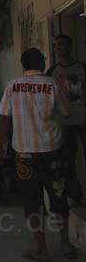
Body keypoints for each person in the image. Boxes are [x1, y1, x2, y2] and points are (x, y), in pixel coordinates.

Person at [0, 48, 77, 261]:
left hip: (24, 155)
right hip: (52, 152)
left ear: (24, 65)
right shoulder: (52, 84)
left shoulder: (13, 86)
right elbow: (67, 112)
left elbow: (3, 117)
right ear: (41, 63)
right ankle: (66, 243)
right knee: (59, 197)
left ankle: (41, 248)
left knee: (32, 202)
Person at [47, 34, 86, 204]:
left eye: (62, 45)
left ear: (70, 46)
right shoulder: (52, 72)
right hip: (63, 124)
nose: (58, 48)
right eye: (56, 45)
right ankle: (75, 195)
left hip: (83, 120)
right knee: (68, 161)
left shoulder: (82, 68)